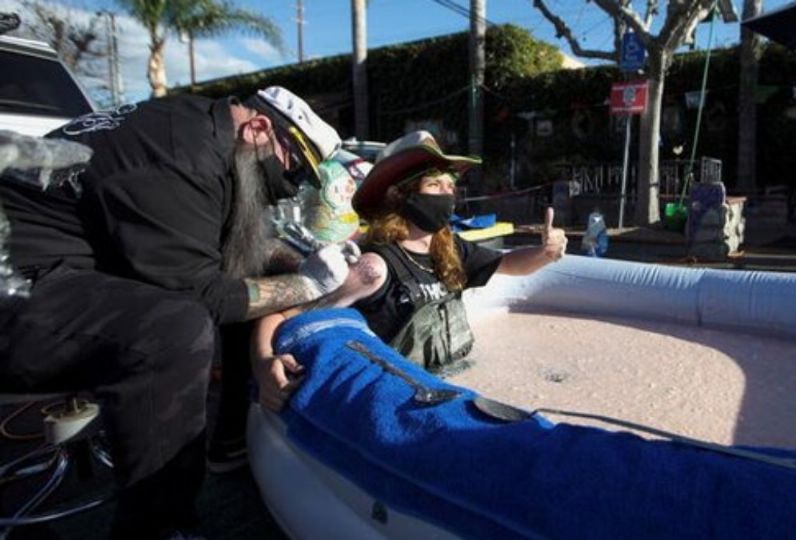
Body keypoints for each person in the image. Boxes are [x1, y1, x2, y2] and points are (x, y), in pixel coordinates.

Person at [0, 86, 355, 539]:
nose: (292, 186)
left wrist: (297, 261)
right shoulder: (179, 156)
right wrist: (308, 284)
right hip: (16, 282)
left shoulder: (196, 129)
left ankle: (226, 444)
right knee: (172, 331)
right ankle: (159, 528)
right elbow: (204, 294)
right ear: (259, 128)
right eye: (294, 169)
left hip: (45, 264)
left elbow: (219, 248)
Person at [252, 130, 568, 410]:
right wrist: (264, 363)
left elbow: (510, 263)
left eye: (450, 185)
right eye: (434, 184)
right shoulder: (373, 267)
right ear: (400, 195)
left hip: (459, 384)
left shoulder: (452, 249)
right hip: (406, 402)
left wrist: (545, 253)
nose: (447, 195)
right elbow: (282, 314)